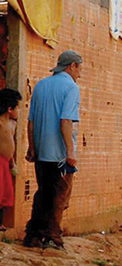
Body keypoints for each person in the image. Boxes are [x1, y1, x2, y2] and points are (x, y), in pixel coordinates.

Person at [24, 50, 83, 250]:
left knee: (43, 193)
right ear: (71, 66)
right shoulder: (71, 88)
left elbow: (31, 121)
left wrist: (32, 147)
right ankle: (52, 238)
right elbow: (65, 121)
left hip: (41, 151)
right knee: (59, 196)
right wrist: (70, 152)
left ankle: (33, 236)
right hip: (59, 154)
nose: (80, 74)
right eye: (79, 69)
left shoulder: (41, 86)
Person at [0, 88, 22, 231]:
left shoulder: (12, 124)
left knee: (5, 193)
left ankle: (1, 222)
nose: (18, 111)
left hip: (6, 163)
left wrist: (13, 163)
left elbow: (11, 145)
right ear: (9, 108)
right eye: (17, 107)